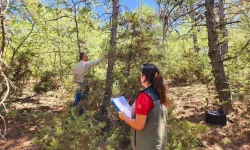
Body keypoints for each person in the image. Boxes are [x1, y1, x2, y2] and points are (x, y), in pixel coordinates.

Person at [118, 63, 168, 150]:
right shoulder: (160, 93)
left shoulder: (144, 96)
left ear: (144, 77)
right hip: (158, 144)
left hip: (146, 146)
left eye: (141, 75)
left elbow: (139, 125)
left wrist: (124, 117)